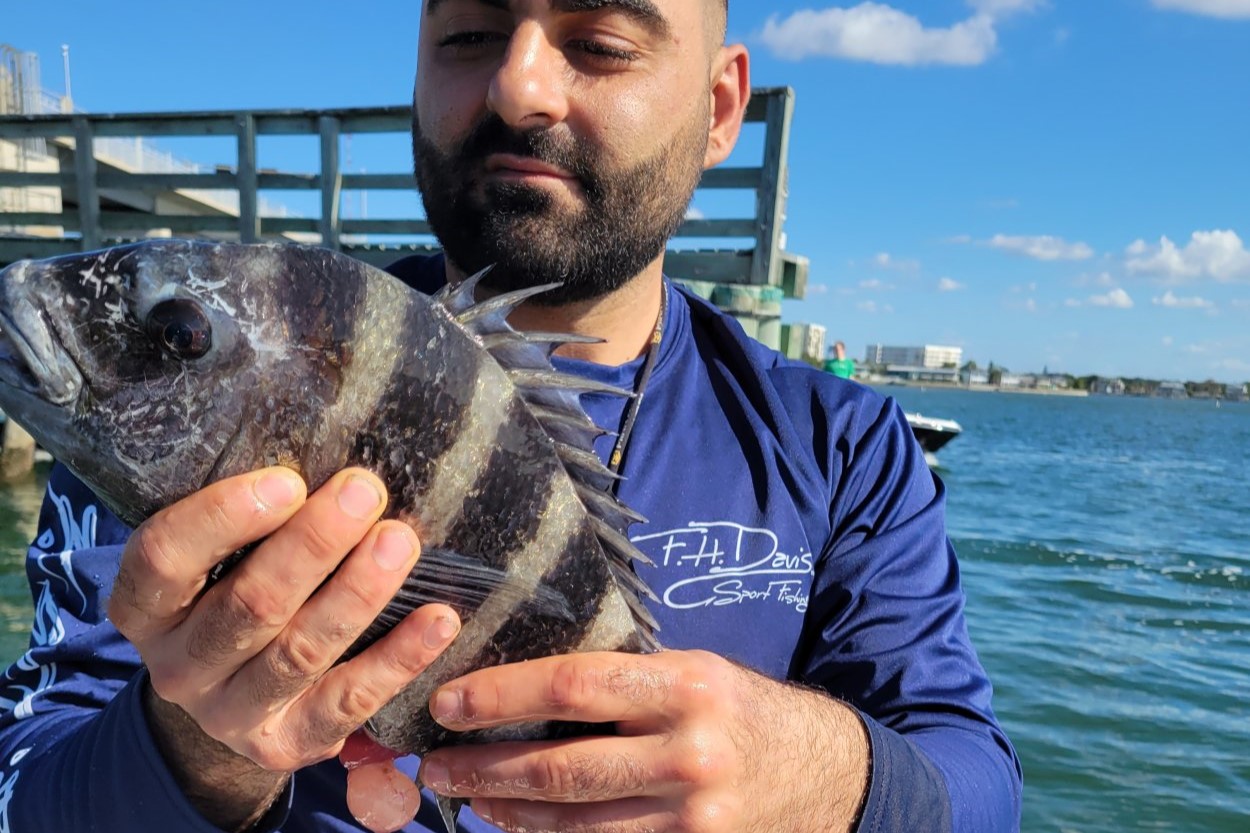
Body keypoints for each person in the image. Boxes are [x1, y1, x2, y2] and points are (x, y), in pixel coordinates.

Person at [0, 2, 1021, 832]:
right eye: (468, 35)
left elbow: (974, 780)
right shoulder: (207, 407)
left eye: (599, 44)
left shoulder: (844, 449)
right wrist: (201, 744)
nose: (517, 84)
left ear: (719, 109)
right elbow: (26, 782)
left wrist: (814, 771)